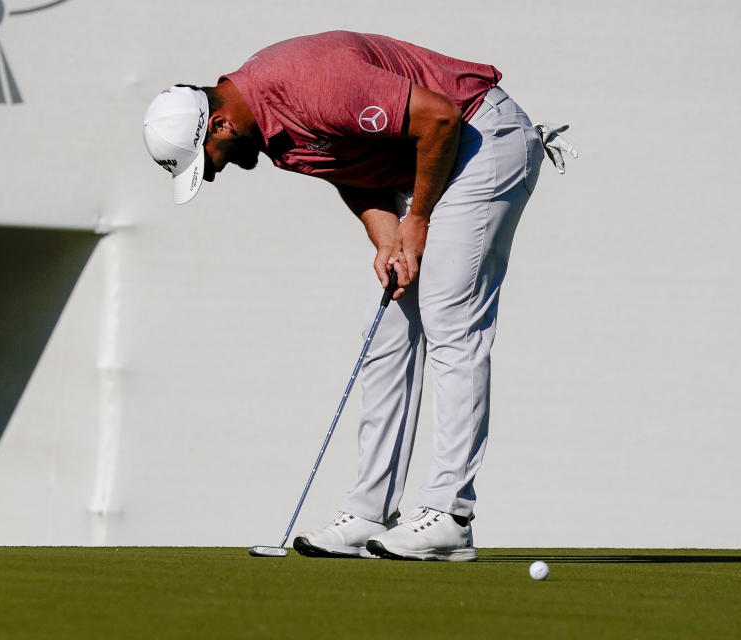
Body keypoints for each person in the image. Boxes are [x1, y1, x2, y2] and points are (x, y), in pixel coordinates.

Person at [142, 31, 576, 561]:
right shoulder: (272, 132)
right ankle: (371, 512)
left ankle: (449, 515)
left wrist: (416, 221)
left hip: (479, 136)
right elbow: (352, 169)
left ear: (221, 124)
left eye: (207, 159)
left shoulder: (307, 85)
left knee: (449, 318)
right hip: (432, 160)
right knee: (393, 332)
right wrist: (386, 237)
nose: (213, 172)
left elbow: (439, 118)